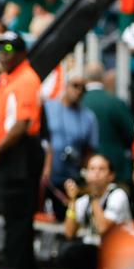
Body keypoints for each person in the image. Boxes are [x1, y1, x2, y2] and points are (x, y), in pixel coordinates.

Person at [0, 31, 44, 269]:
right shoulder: (9, 78)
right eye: (0, 49)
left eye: (9, 49)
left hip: (19, 152)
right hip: (14, 152)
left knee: (16, 219)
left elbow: (22, 125)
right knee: (18, 218)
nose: (3, 54)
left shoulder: (26, 79)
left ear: (22, 53)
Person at [61, 154, 132, 269]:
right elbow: (69, 233)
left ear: (111, 175)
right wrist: (72, 201)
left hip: (122, 250)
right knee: (67, 251)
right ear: (86, 174)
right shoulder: (83, 200)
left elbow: (103, 228)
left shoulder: (117, 195)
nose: (96, 173)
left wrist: (94, 197)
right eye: (92, 169)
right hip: (96, 249)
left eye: (101, 169)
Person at [44, 75, 99, 220]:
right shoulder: (49, 108)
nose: (79, 91)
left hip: (70, 180)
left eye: (83, 88)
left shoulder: (88, 117)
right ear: (66, 86)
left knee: (66, 219)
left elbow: (89, 151)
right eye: (75, 86)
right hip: (46, 177)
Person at [81, 63, 134, 187]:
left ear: (85, 78)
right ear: (103, 77)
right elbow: (131, 134)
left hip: (87, 169)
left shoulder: (79, 104)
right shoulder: (115, 103)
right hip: (116, 170)